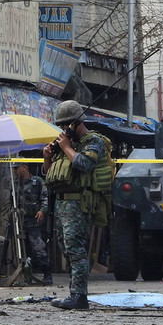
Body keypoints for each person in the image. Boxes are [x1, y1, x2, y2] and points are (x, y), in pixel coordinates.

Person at [43, 100, 112, 310]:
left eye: (67, 125)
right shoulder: (66, 144)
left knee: (76, 250)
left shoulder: (93, 141)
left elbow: (84, 164)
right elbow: (50, 175)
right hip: (62, 204)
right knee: (66, 249)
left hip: (79, 203)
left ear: (77, 123)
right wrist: (47, 157)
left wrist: (66, 147)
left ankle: (79, 296)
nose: (64, 129)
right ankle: (74, 292)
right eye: (61, 125)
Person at [12, 162, 53, 285]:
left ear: (24, 167)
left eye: (17, 168)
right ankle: (26, 275)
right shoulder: (15, 184)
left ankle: (47, 274)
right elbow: (12, 201)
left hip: (34, 221)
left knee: (38, 248)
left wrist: (42, 211)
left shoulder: (37, 181)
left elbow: (45, 198)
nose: (15, 171)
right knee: (22, 250)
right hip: (20, 221)